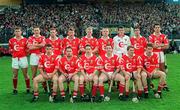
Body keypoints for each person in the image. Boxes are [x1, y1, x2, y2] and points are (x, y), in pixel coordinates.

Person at [9, 27, 30, 94]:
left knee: (25, 74)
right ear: (14, 32)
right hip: (15, 59)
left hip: (23, 58)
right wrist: (13, 52)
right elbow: (10, 49)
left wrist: (25, 53)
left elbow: (28, 49)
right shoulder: (11, 40)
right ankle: (15, 89)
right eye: (16, 31)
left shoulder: (25, 40)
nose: (17, 32)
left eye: (18, 31)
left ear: (21, 32)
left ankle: (28, 88)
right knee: (15, 75)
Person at [149, 23, 169, 90]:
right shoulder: (151, 36)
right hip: (154, 54)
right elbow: (152, 46)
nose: (157, 29)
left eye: (158, 27)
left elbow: (167, 46)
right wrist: (162, 44)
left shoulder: (163, 36)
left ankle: (164, 84)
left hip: (161, 53)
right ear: (154, 29)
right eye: (156, 27)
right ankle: (151, 83)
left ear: (160, 28)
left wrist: (157, 45)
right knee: (154, 69)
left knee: (163, 68)